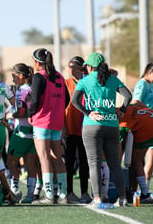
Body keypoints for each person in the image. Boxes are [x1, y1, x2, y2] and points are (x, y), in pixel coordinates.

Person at [71, 53, 131, 207]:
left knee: (94, 163)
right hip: (112, 125)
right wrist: (122, 110)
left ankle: (97, 198)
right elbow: (128, 96)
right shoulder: (113, 79)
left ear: (89, 67)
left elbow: (74, 100)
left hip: (92, 125)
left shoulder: (85, 80)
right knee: (115, 164)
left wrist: (88, 112)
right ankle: (123, 198)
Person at [28, 48, 69, 205]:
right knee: (57, 158)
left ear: (38, 62)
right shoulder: (59, 76)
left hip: (42, 122)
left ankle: (50, 196)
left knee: (44, 158)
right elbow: (66, 100)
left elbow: (35, 99)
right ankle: (63, 195)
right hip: (56, 123)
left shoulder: (39, 76)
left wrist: (31, 114)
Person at [5, 63, 38, 203]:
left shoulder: (21, 91)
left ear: (20, 76)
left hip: (22, 132)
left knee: (11, 162)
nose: (13, 80)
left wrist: (9, 116)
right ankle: (30, 195)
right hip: (35, 131)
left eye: (13, 76)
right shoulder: (33, 88)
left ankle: (15, 191)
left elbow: (22, 112)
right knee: (31, 164)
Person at [131, 62, 153, 190]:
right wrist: (149, 111)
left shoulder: (150, 85)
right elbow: (135, 102)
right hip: (145, 124)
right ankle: (142, 189)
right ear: (149, 72)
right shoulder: (142, 84)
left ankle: (145, 188)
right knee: (145, 157)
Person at [62, 56, 92, 204]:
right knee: (69, 162)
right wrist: (63, 126)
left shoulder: (87, 83)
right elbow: (60, 107)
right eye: (69, 66)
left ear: (82, 68)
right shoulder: (65, 83)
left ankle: (85, 192)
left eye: (74, 66)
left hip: (85, 127)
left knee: (84, 161)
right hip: (69, 127)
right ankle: (68, 192)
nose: (70, 69)